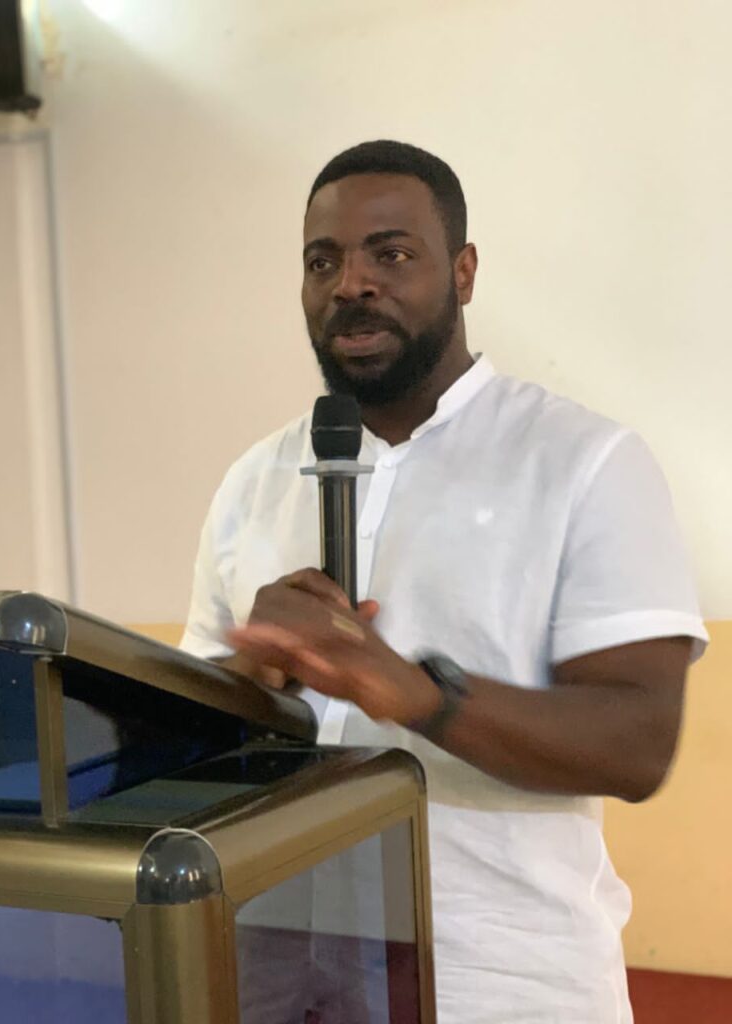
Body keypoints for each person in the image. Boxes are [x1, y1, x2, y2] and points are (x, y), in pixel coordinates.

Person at [180, 140, 708, 1023]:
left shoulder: (583, 461)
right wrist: (251, 675)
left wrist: (422, 696)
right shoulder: (253, 481)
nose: (351, 283)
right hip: (268, 974)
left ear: (463, 272)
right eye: (322, 262)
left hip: (497, 983)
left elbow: (638, 743)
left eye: (390, 254)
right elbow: (188, 744)